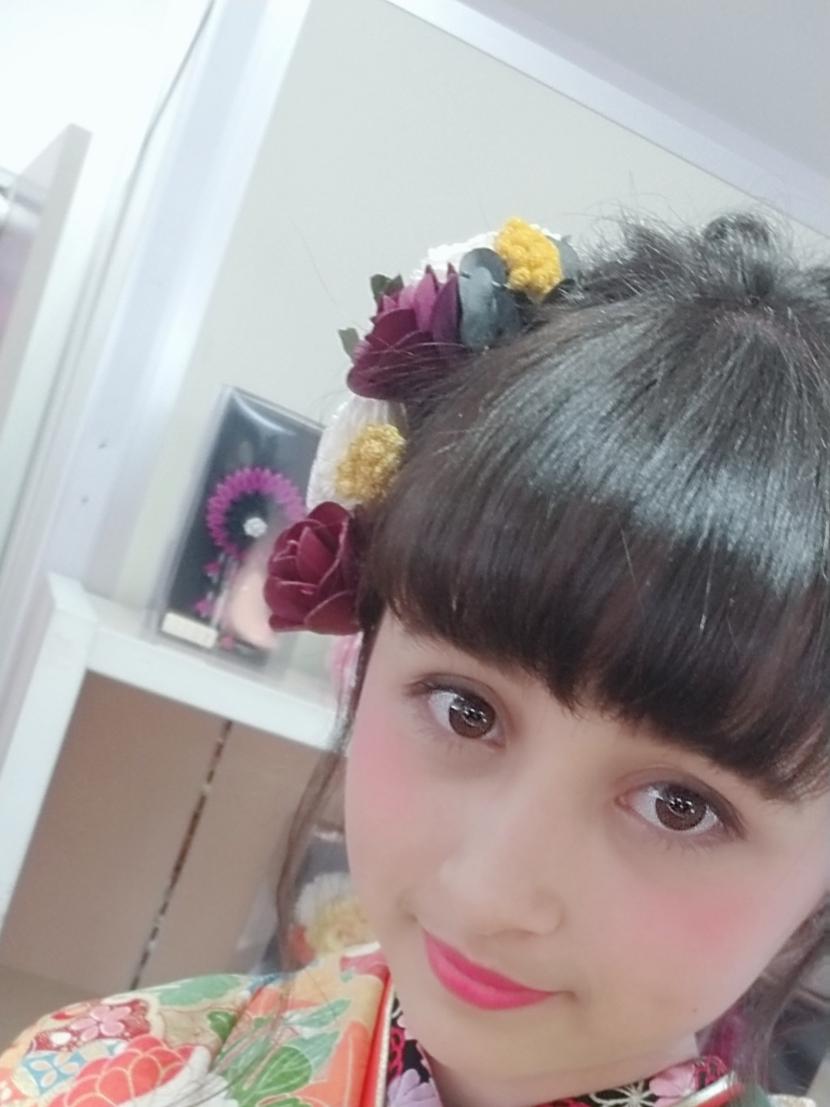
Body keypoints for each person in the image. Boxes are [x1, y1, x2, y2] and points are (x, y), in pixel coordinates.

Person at [1, 212, 828, 1107]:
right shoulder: (100, 1077)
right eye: (465, 709)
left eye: (679, 806)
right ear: (364, 662)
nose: (487, 892)